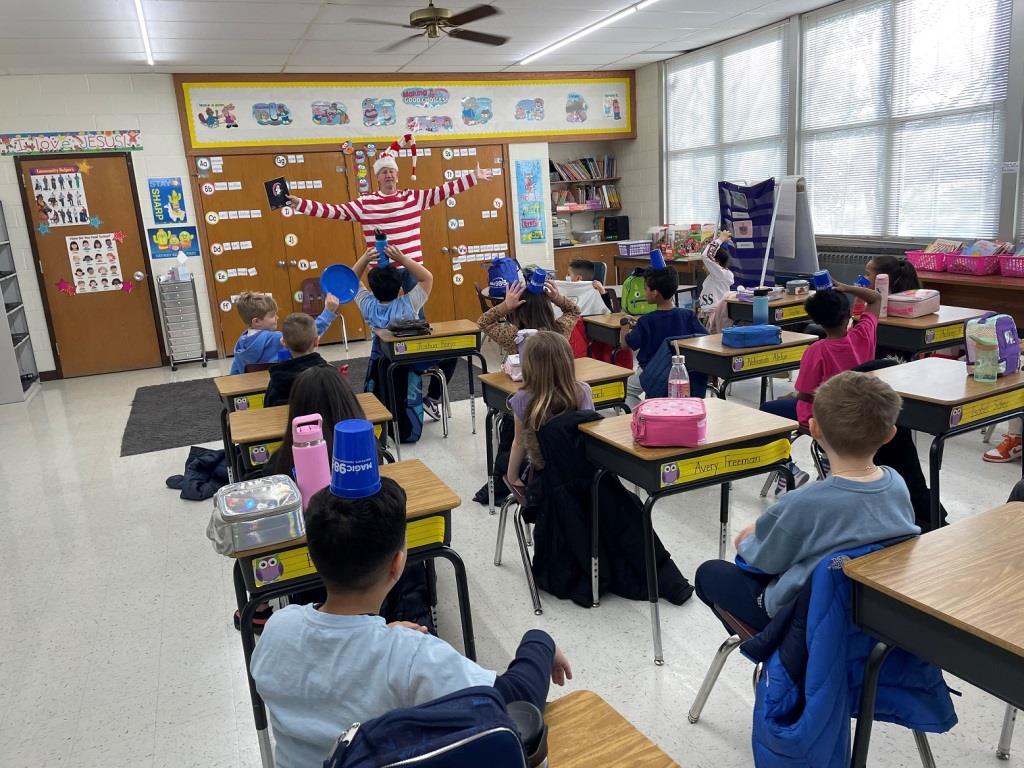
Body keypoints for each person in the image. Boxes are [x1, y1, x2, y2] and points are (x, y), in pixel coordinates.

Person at [251, 476, 572, 768]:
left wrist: (377, 637)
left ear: (312, 557)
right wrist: (539, 640)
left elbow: (332, 665)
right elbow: (517, 702)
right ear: (398, 564)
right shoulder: (411, 655)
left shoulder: (278, 629)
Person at [694, 371, 920, 632]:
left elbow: (764, 561)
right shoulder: (897, 484)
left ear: (813, 428)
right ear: (890, 434)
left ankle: (775, 651)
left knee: (709, 573)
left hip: (800, 614)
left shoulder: (803, 502)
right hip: (867, 611)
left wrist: (747, 540)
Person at [287, 137, 492, 298]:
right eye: (383, 172)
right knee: (383, 317)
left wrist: (472, 177)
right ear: (377, 177)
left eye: (391, 171)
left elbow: (443, 191)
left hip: (412, 267)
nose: (388, 175)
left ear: (397, 175)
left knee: (416, 315)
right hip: (382, 272)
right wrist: (300, 205)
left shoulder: (413, 198)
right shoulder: (365, 203)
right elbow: (333, 210)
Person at [761, 281, 882, 493]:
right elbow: (876, 298)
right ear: (848, 316)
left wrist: (791, 395)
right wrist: (847, 288)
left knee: (768, 411)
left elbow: (806, 395)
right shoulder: (864, 335)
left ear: (816, 320)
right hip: (860, 412)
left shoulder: (816, 350)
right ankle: (827, 459)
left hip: (824, 417)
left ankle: (788, 471)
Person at [354, 244, 453, 439]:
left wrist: (365, 258)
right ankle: (432, 398)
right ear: (400, 286)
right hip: (412, 362)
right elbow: (427, 277)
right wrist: (403, 259)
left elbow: (351, 279)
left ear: (372, 288)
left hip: (384, 362)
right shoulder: (409, 303)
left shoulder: (368, 305)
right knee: (452, 356)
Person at [505, 331, 594, 495]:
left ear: (529, 364)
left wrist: (511, 477)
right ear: (568, 361)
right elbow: (590, 434)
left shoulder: (521, 398)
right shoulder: (583, 391)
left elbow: (519, 442)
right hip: (582, 472)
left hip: (545, 476)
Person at [620, 267, 708, 408]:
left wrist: (624, 323)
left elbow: (625, 345)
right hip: (684, 372)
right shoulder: (688, 315)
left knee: (625, 390)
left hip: (652, 372)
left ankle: (642, 413)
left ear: (655, 293)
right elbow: (705, 338)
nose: (644, 292)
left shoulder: (646, 321)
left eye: (646, 288)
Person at [230, 291, 339, 375]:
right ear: (256, 321)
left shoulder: (241, 342)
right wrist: (327, 313)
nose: (277, 317)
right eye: (272, 315)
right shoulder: (274, 338)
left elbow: (235, 372)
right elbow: (307, 332)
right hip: (281, 385)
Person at [478, 277, 581, 356]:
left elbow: (483, 322)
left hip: (528, 382)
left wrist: (506, 306)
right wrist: (557, 298)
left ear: (517, 313)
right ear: (548, 307)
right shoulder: (561, 330)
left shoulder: (514, 337)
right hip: (559, 381)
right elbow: (574, 310)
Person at [264, 313, 331, 408]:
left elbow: (268, 408)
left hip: (287, 422)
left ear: (283, 342)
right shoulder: (329, 374)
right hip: (324, 422)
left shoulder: (276, 380)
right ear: (316, 341)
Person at [697, 231, 734, 332]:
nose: (703, 267)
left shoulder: (720, 275)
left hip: (717, 318)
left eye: (705, 264)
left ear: (715, 263)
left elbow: (706, 256)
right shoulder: (713, 278)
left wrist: (720, 239)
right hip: (708, 318)